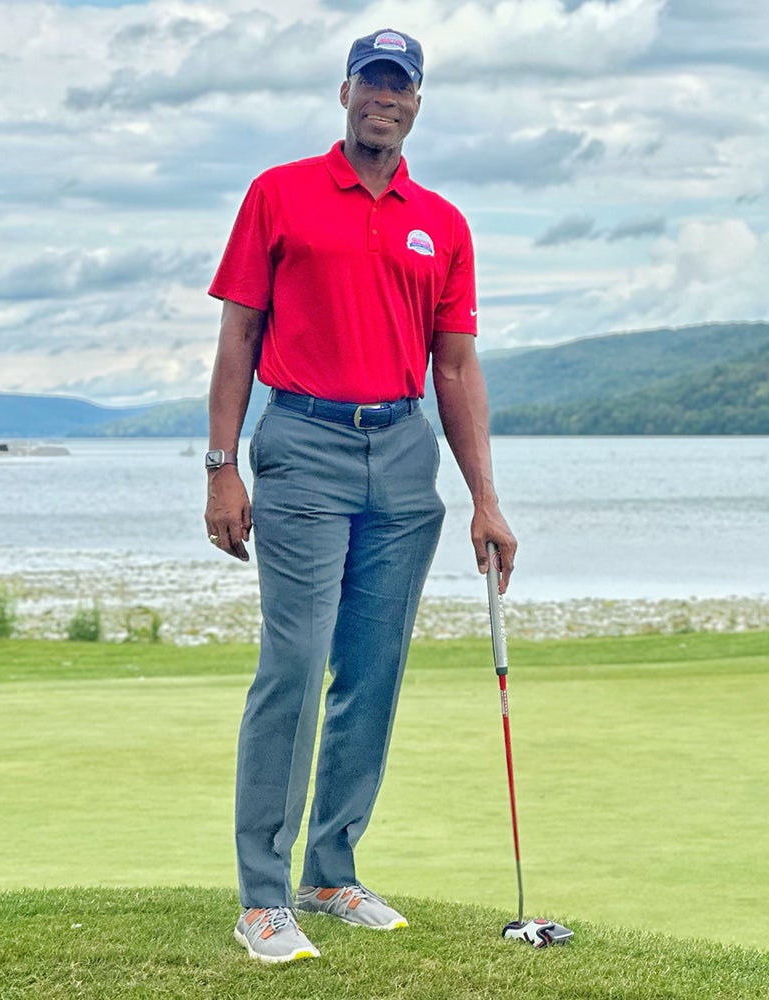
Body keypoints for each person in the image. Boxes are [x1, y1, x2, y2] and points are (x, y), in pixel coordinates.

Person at [204, 28, 517, 964]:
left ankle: (330, 870)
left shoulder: (443, 222)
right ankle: (263, 897)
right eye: (372, 82)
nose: (386, 97)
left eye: (402, 86)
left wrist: (486, 501)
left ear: (417, 102)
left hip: (405, 452)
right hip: (301, 445)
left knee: (371, 675)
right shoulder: (280, 193)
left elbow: (455, 369)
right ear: (345, 92)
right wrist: (222, 466)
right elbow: (237, 341)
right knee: (294, 669)